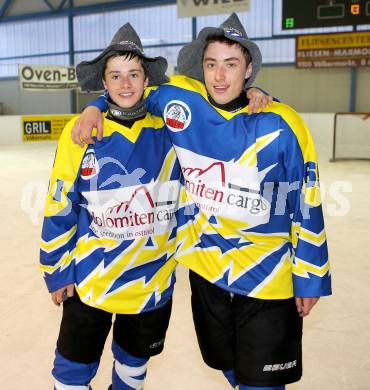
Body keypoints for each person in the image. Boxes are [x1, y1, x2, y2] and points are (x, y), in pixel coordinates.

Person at [72, 13, 332, 390]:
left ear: (249, 70)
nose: (220, 76)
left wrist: (310, 278)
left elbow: (306, 204)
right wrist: (95, 105)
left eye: (231, 65)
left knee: (262, 381)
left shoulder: (282, 124)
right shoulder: (181, 102)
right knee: (226, 365)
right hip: (206, 271)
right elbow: (129, 89)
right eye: (211, 65)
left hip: (268, 279)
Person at [40, 23, 181, 390]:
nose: (125, 84)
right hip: (91, 280)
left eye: (134, 74)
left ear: (146, 78)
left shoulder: (171, 128)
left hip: (152, 280)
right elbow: (59, 204)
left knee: (134, 366)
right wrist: (56, 269)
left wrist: (255, 91)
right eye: (115, 76)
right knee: (71, 372)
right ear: (104, 83)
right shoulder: (81, 132)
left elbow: (212, 92)